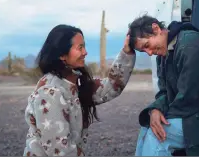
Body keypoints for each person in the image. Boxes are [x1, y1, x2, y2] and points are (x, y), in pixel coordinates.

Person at [127, 14, 199, 156]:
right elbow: (164, 92)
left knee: (156, 135)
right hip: (196, 114)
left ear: (156, 28)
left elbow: (191, 98)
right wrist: (155, 110)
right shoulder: (165, 55)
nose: (149, 53)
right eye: (143, 51)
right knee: (147, 128)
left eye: (147, 45)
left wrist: (161, 116)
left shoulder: (191, 45)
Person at [23, 24, 136, 156]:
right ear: (62, 55)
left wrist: (126, 52)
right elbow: (60, 150)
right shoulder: (49, 92)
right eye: (80, 47)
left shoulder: (75, 82)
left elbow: (110, 87)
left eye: (84, 46)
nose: (85, 52)